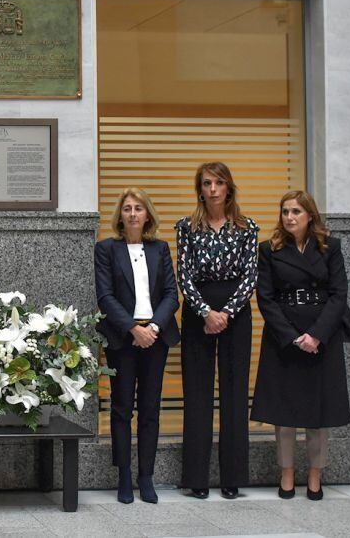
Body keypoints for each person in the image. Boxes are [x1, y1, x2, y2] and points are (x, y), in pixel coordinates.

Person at [251, 191, 350, 501]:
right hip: (285, 338)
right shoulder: (269, 250)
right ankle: (287, 474)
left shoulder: (330, 247)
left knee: (319, 411)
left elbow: (339, 294)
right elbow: (265, 298)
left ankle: (316, 475)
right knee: (285, 411)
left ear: (310, 215)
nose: (289, 217)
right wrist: (294, 337)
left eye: (296, 211)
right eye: (284, 211)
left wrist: (316, 335)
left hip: (323, 336)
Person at [175, 161, 258, 500]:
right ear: (200, 188)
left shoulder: (247, 226)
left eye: (219, 183)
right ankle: (196, 478)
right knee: (197, 393)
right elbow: (183, 274)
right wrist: (206, 312)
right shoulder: (186, 227)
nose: (212, 189)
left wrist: (225, 312)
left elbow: (251, 275)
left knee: (235, 393)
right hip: (198, 312)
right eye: (207, 183)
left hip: (235, 312)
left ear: (228, 188)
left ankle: (232, 478)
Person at [94, 187, 180, 504]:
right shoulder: (106, 250)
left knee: (150, 409)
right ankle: (124, 477)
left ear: (147, 215)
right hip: (123, 339)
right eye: (127, 208)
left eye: (138, 208)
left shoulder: (160, 249)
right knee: (121, 409)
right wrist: (133, 328)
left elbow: (172, 294)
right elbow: (105, 297)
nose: (132, 213)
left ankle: (146, 476)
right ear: (121, 215)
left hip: (156, 338)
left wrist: (153, 327)